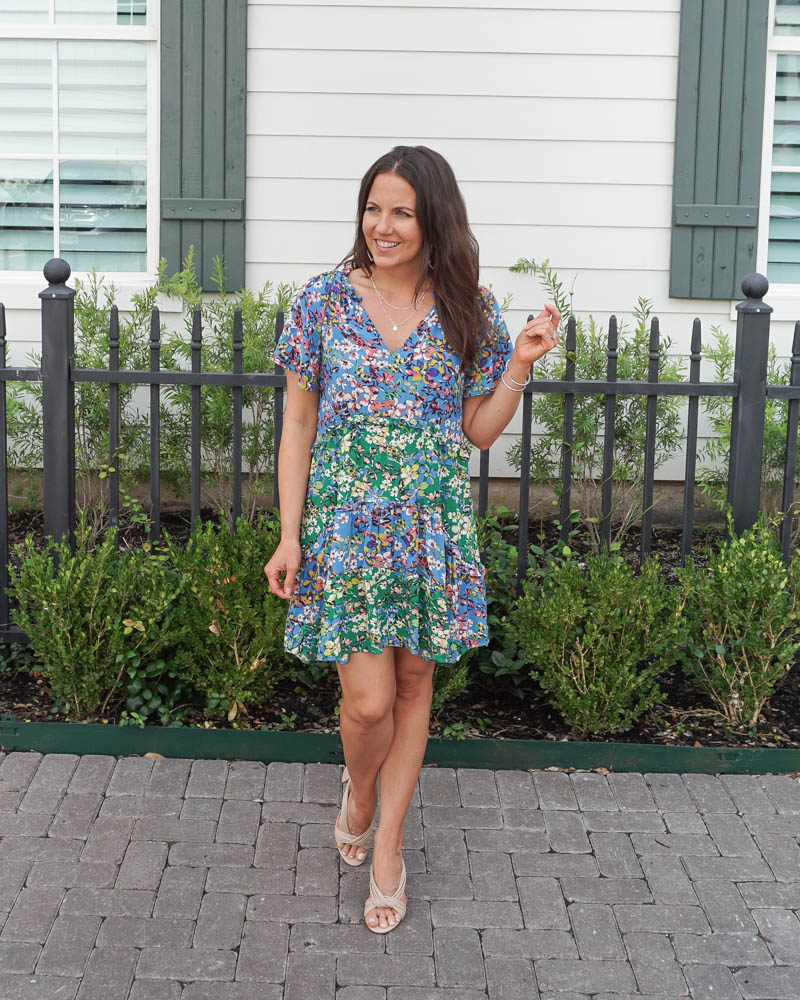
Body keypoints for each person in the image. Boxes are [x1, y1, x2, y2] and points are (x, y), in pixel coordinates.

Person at [264, 145, 560, 934]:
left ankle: (387, 841)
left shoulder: (468, 308)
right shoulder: (322, 301)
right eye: (373, 208)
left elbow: (477, 430)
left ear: (433, 220)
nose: (383, 226)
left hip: (431, 526)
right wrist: (289, 533)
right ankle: (360, 792)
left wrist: (518, 368)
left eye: (402, 211)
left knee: (414, 684)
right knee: (366, 702)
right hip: (346, 529)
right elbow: (298, 421)